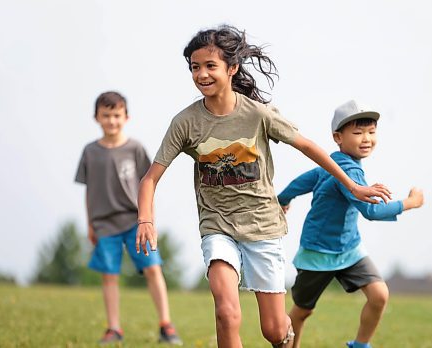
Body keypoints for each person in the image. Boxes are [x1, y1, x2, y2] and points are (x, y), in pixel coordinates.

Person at [135, 26, 391, 348]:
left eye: (210, 66)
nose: (201, 74)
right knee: (227, 314)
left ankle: (285, 336)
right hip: (218, 225)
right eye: (195, 67)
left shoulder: (257, 114)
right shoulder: (185, 122)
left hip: (262, 225)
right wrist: (145, 219)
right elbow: (150, 179)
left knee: (273, 330)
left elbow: (309, 147)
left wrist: (353, 186)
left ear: (232, 68)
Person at [278, 100, 424, 348]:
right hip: (318, 252)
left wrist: (284, 198)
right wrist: (409, 203)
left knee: (379, 295)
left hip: (349, 248)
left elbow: (302, 181)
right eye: (357, 133)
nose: (366, 138)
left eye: (371, 131)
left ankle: (360, 345)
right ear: (338, 137)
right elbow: (371, 211)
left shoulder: (332, 162)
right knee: (302, 312)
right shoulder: (349, 171)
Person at [74, 91, 182, 345]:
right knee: (109, 275)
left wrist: (149, 220)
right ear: (96, 118)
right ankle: (113, 328)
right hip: (104, 224)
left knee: (153, 269)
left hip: (135, 221)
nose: (112, 121)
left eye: (116, 115)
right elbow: (89, 190)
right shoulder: (90, 152)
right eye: (106, 116)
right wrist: (90, 223)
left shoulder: (135, 148)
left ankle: (166, 325)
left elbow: (149, 184)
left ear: (126, 117)